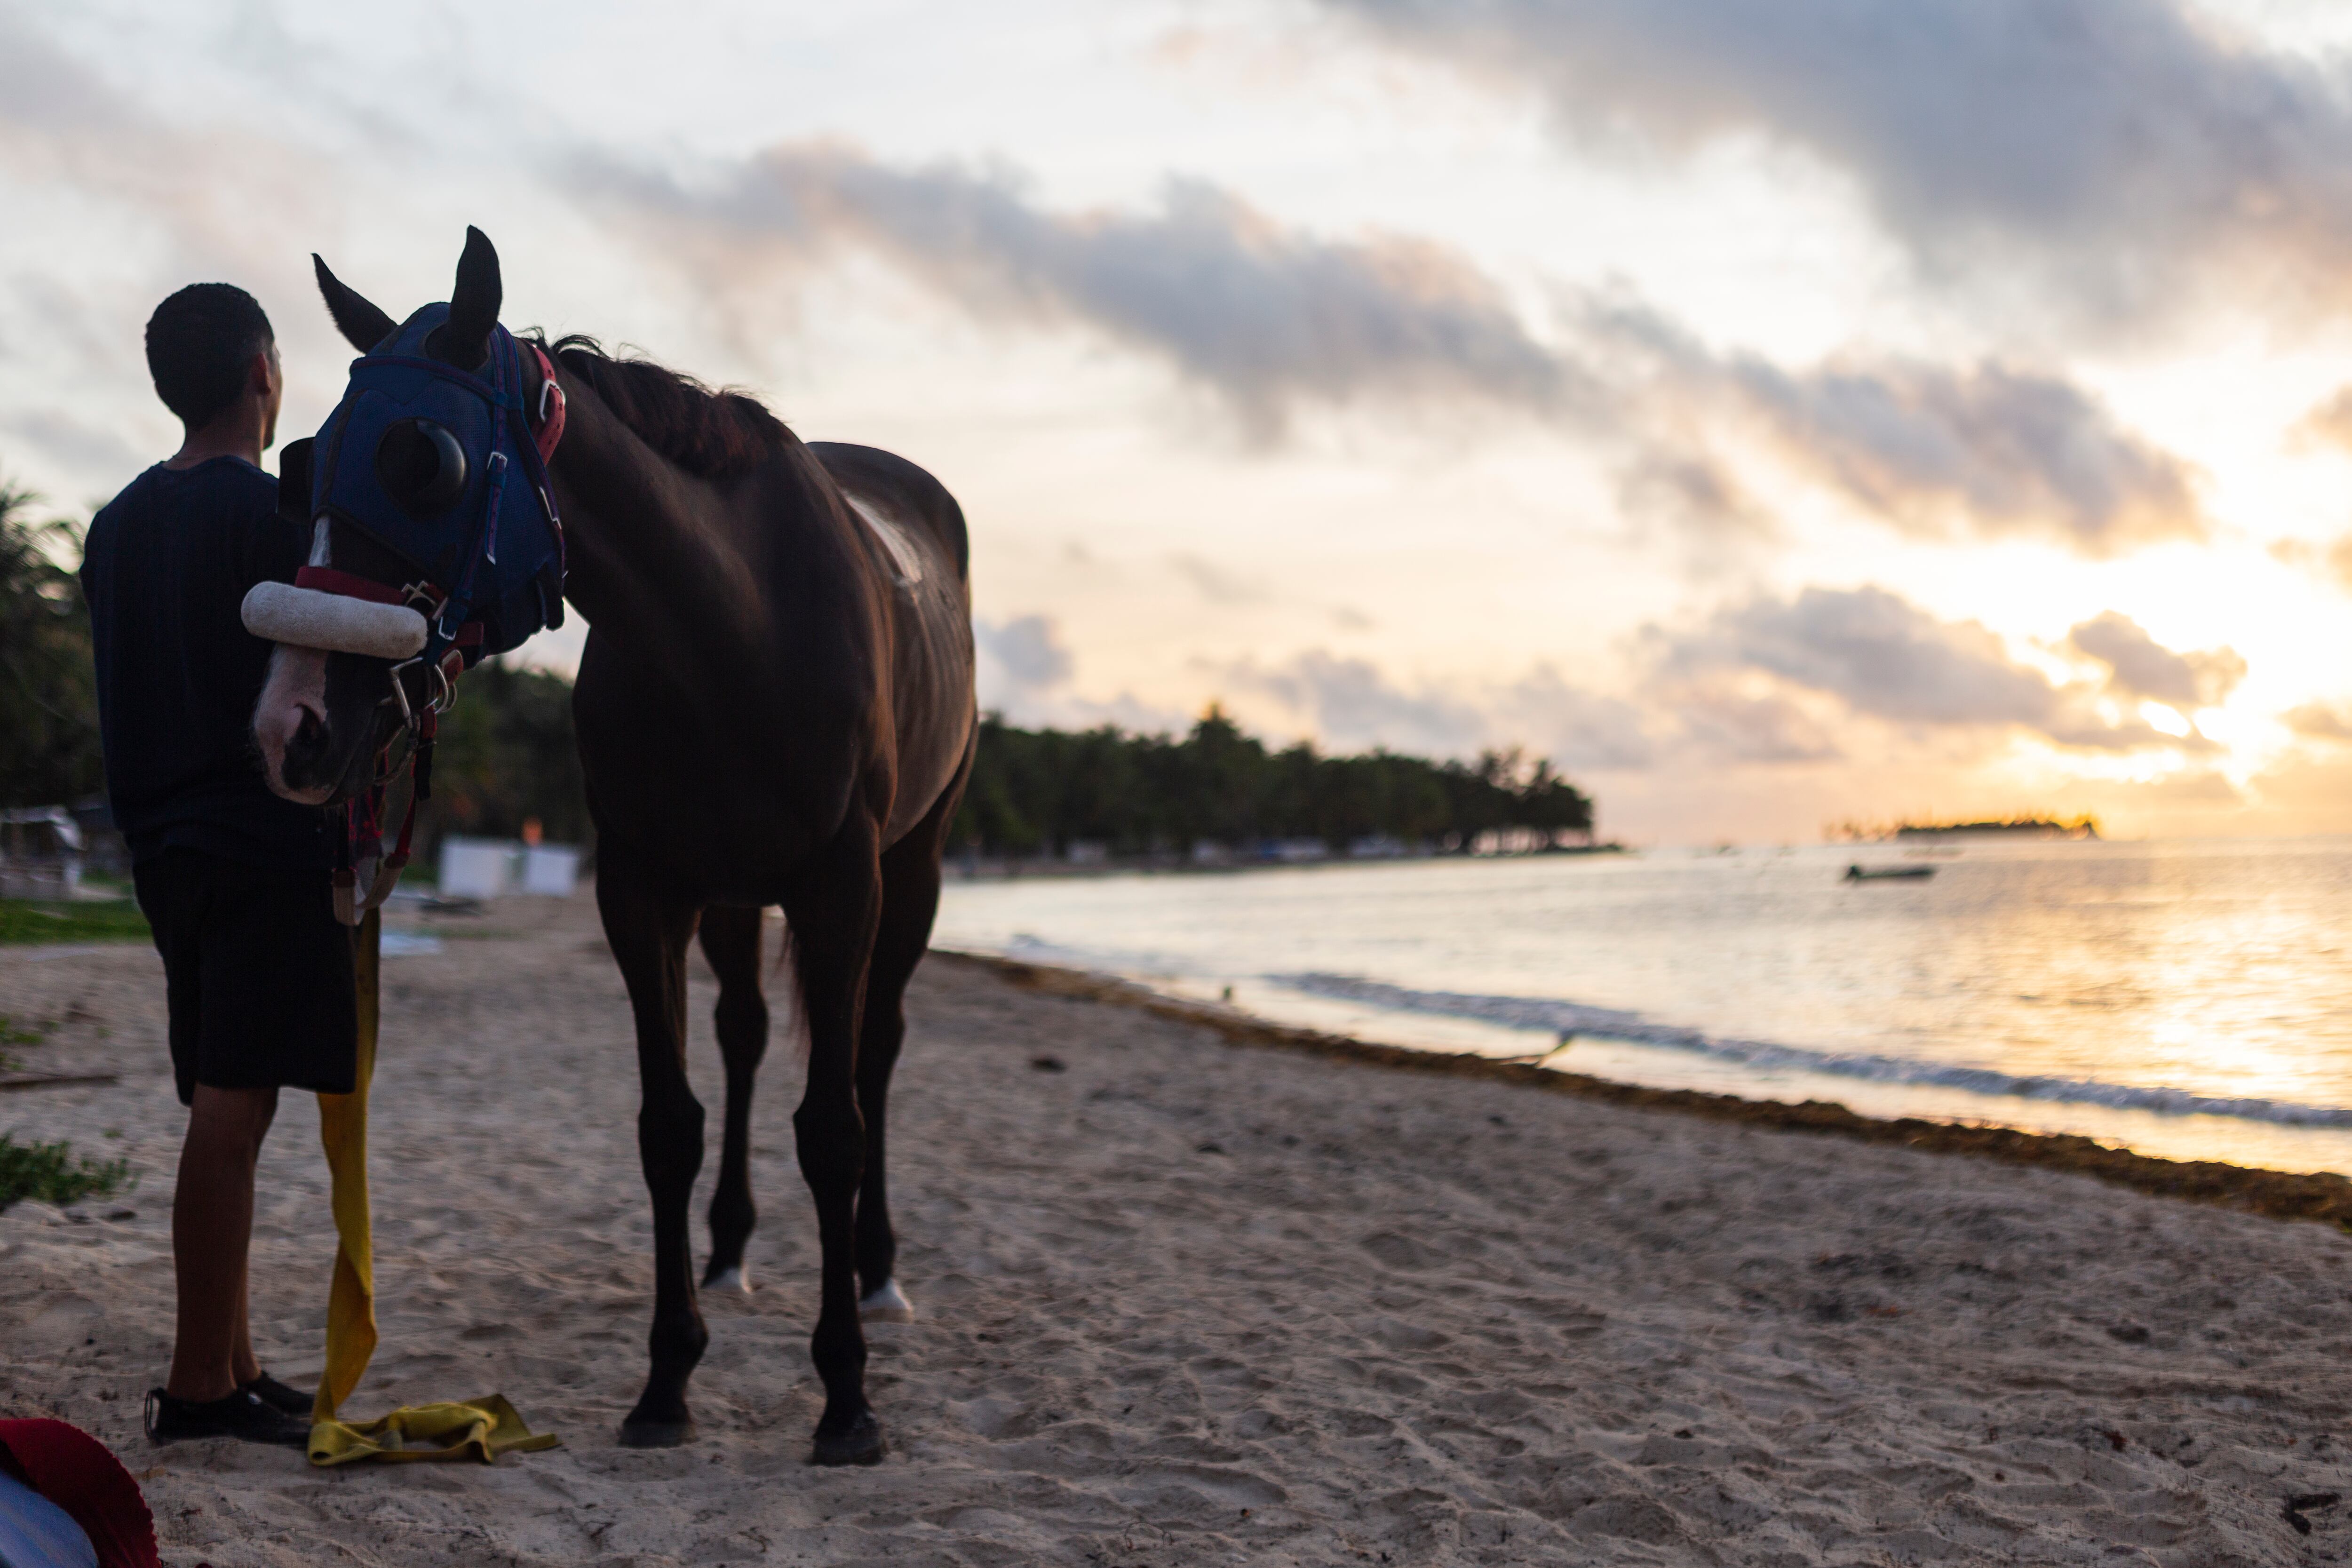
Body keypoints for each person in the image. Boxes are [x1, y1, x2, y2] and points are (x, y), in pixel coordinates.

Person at [80, 284, 355, 1449]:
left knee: (222, 1095)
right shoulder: (272, 520)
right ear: (264, 375)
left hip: (160, 850)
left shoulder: (113, 526)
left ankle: (235, 1356)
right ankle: (200, 1390)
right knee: (233, 1114)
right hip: (254, 840)